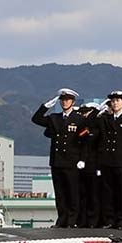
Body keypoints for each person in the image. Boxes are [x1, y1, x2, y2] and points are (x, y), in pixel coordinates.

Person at [31, 88, 82, 227]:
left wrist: (82, 158)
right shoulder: (55, 118)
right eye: (62, 100)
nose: (64, 102)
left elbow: (84, 142)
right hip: (57, 160)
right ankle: (62, 219)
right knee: (60, 193)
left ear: (73, 101)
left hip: (72, 161)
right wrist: (46, 106)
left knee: (72, 192)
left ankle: (72, 220)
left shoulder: (79, 119)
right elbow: (36, 119)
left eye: (67, 100)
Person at [97, 91, 122, 229]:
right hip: (107, 160)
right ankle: (109, 219)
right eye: (112, 101)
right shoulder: (105, 119)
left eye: (117, 101)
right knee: (108, 192)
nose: (114, 103)